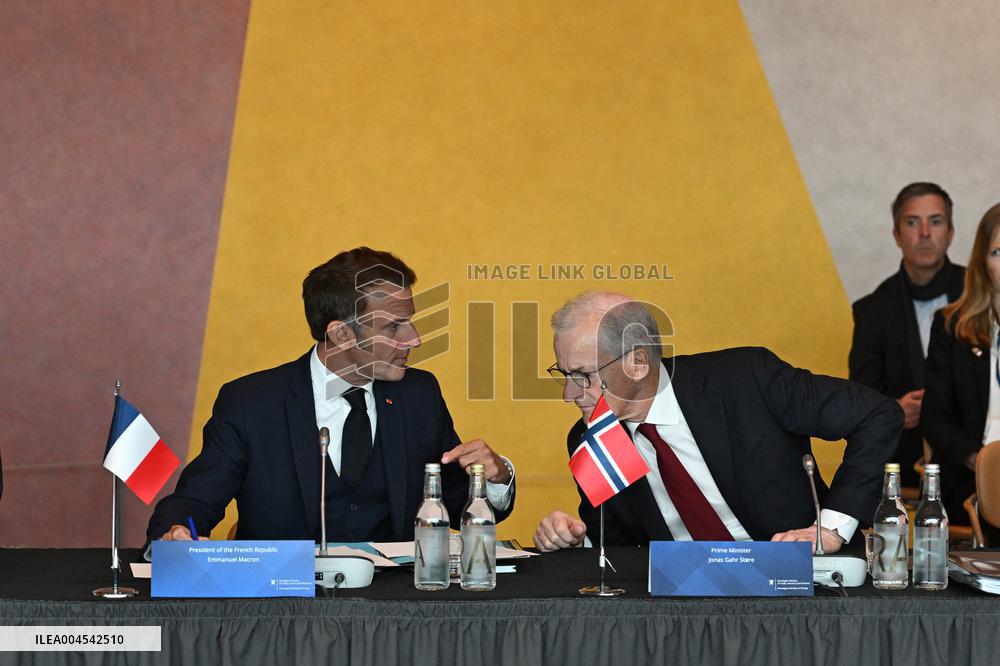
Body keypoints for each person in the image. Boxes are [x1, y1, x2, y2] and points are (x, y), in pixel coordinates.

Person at [147, 247, 515, 544]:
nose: (414, 339)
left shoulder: (419, 394)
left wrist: (494, 479)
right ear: (340, 334)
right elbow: (195, 500)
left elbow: (458, 501)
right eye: (394, 326)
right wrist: (175, 532)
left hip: (396, 613)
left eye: (411, 321)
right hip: (283, 612)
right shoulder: (251, 403)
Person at [533, 292, 901, 553]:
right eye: (563, 374)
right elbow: (617, 547)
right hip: (687, 612)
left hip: (801, 586)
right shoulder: (593, 441)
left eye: (583, 375)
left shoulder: (745, 380)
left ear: (638, 362)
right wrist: (574, 538)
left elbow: (877, 414)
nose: (570, 393)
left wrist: (831, 527)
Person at [849, 182, 963, 488]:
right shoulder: (871, 310)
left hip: (974, 464)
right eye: (912, 222)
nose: (924, 233)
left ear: (950, 232)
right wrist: (894, 410)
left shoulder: (979, 295)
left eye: (935, 221)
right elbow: (858, 402)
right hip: (903, 470)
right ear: (897, 234)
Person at [923, 203, 1000, 525]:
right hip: (972, 478)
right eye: (998, 252)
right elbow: (935, 417)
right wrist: (980, 460)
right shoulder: (952, 326)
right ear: (982, 264)